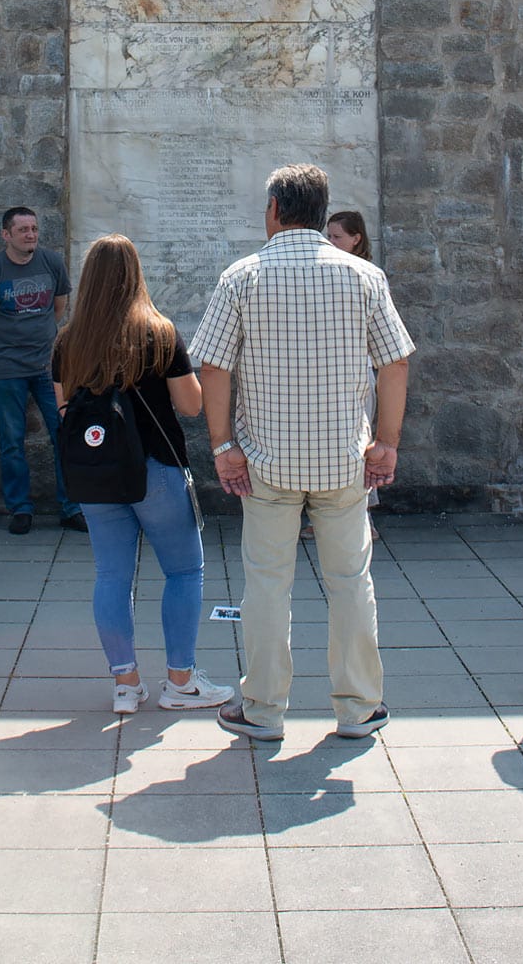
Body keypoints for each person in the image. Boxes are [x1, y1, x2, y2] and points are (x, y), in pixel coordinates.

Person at [194, 164, 413, 742]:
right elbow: (395, 362)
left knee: (267, 585)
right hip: (344, 461)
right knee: (351, 583)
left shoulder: (241, 277)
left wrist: (223, 445)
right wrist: (387, 442)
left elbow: (213, 366)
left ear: (274, 209)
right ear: (321, 213)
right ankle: (359, 707)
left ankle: (263, 709)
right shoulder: (364, 277)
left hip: (265, 462)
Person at [52, 233, 232, 715]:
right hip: (157, 468)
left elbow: (64, 409)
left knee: (112, 574)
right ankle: (180, 681)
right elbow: (190, 406)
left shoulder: (68, 341)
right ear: (135, 276)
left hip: (97, 473)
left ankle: (125, 684)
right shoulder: (159, 333)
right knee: (184, 570)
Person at [0, 206, 86, 534]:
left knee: (64, 432)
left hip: (48, 366)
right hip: (6, 368)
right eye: (23, 230)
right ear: (6, 235)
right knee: (11, 441)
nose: (30, 234)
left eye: (33, 228)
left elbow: (59, 308)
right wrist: (9, 344)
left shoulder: (51, 263)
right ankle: (20, 508)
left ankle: (71, 506)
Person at [326, 209, 383, 541]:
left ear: (356, 238)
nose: (330, 242)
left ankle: (364, 519)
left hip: (358, 372)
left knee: (359, 445)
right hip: (334, 373)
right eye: (328, 236)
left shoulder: (367, 276)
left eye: (337, 237)